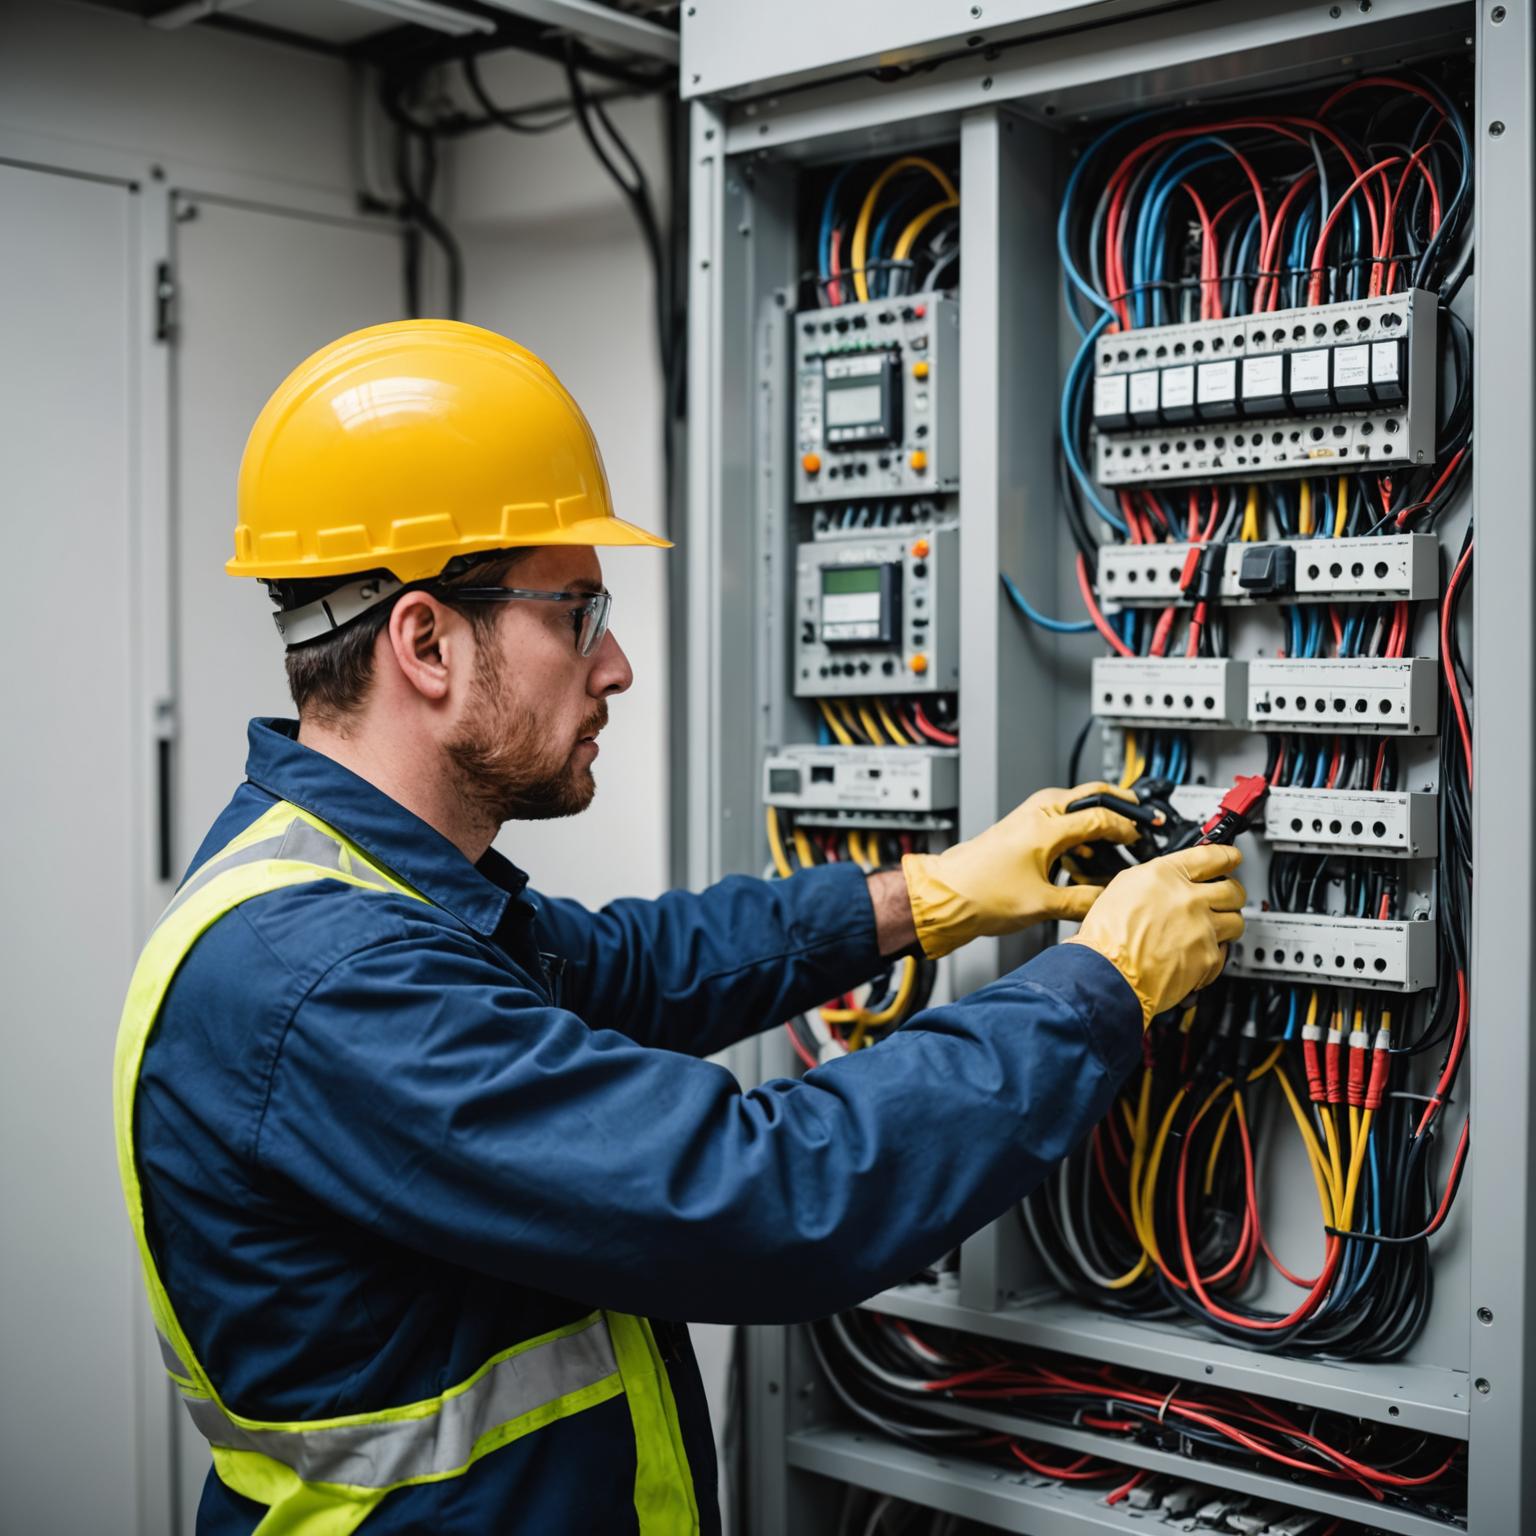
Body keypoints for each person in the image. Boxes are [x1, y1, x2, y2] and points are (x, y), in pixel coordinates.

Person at [113, 321, 1245, 1535]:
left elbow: (628, 969)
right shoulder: (326, 979)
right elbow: (766, 1195)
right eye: (577, 612)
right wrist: (1098, 990)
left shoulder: (357, 891)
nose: (617, 667)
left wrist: (931, 896)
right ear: (427, 642)